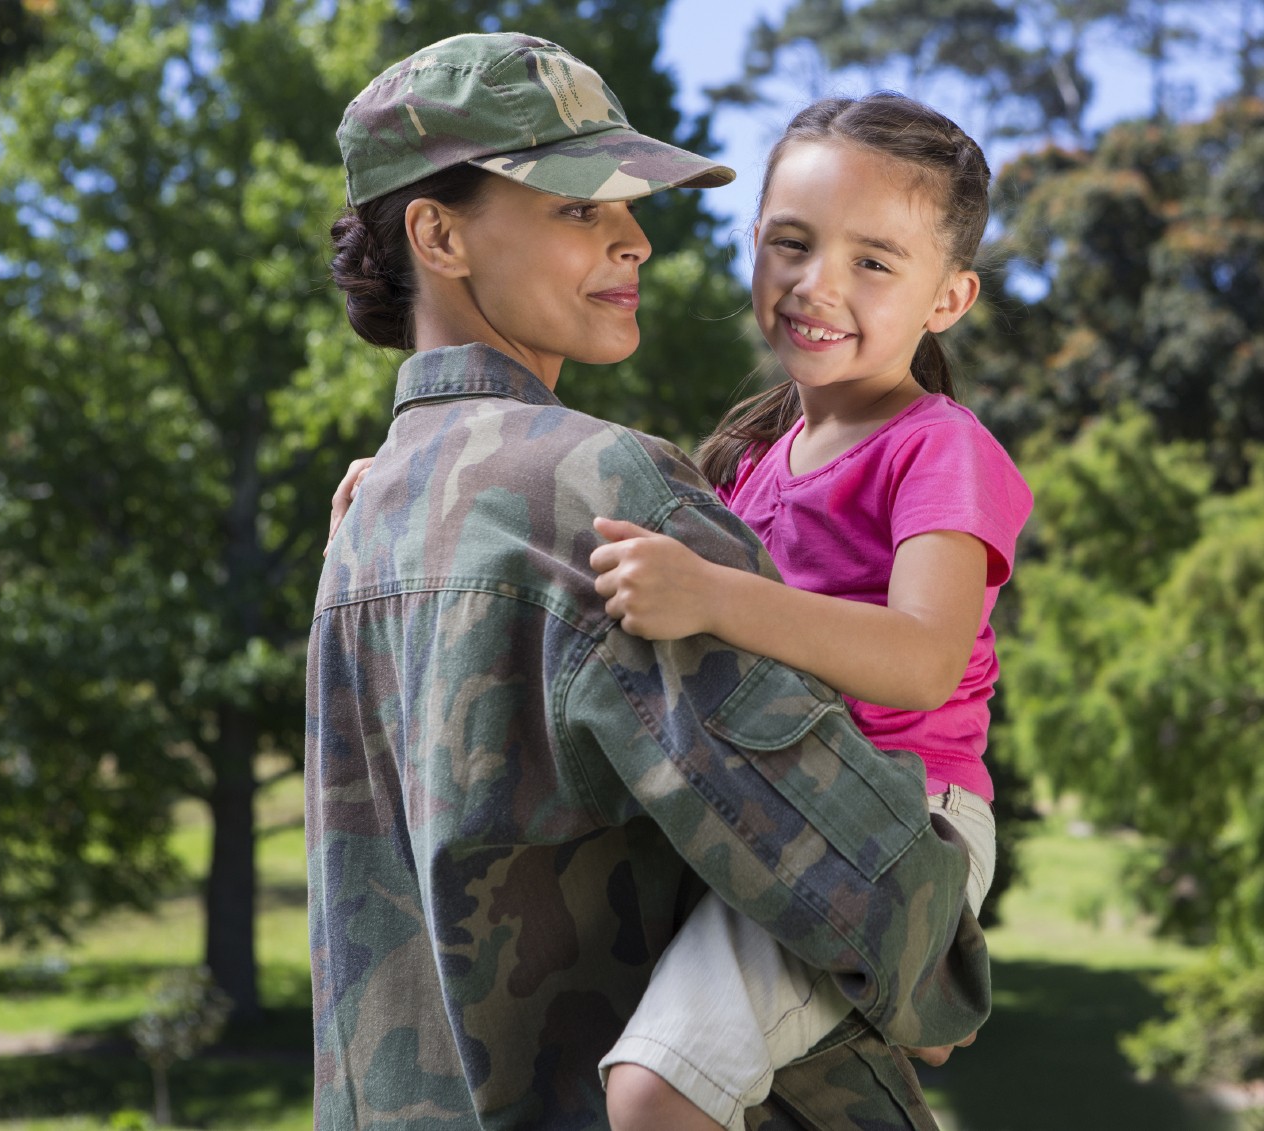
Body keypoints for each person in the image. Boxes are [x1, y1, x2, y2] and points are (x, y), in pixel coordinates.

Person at [308, 33, 988, 1131]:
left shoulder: (366, 518)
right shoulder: (596, 481)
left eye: (630, 207)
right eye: (579, 209)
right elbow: (835, 853)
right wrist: (937, 965)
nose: (635, 239)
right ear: (438, 234)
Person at [584, 94, 1032, 1131]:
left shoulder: (939, 448)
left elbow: (924, 660)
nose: (816, 283)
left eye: (874, 261)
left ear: (949, 298)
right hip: (769, 801)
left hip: (897, 817)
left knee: (655, 1095)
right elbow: (605, 553)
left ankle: (917, 954)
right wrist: (420, 480)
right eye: (790, 242)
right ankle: (898, 989)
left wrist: (711, 595)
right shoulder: (747, 459)